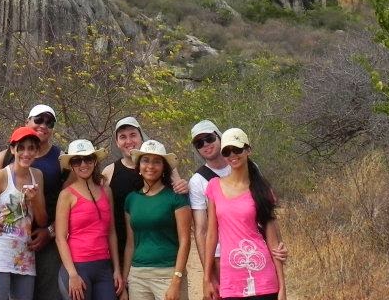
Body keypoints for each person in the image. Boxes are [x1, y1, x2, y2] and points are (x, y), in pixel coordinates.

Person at [0, 104, 65, 300]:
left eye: (49, 122)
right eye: (38, 120)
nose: (43, 125)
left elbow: (71, 203)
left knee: (46, 294)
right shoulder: (4, 157)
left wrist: (50, 231)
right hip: (7, 239)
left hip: (46, 240)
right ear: (27, 122)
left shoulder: (62, 159)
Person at [203, 128, 287, 300]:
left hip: (264, 277)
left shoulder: (262, 190)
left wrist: (282, 287)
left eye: (237, 149)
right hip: (231, 280)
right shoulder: (214, 186)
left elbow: (273, 240)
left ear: (248, 150)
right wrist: (207, 278)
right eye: (227, 151)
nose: (232, 154)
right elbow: (211, 235)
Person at [0, 126, 48, 300]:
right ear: (12, 149)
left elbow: (42, 220)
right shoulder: (1, 176)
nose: (26, 153)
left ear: (37, 151)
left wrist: (35, 199)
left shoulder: (37, 176)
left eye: (31, 148)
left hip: (24, 258)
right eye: (21, 148)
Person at [103, 117, 188, 260]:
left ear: (141, 137)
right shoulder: (108, 172)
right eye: (123, 137)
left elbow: (179, 195)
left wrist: (185, 187)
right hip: (121, 251)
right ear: (117, 142)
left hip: (161, 252)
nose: (129, 141)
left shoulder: (165, 169)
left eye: (133, 135)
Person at [55, 139, 124, 300]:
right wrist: (72, 274)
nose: (83, 164)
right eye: (77, 160)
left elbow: (111, 232)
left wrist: (116, 269)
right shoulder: (66, 195)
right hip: (78, 266)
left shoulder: (106, 191)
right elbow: (60, 238)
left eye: (88, 159)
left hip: (103, 267)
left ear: (94, 161)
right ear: (71, 165)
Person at [123, 140, 192, 300]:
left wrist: (176, 280)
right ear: (139, 166)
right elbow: (130, 243)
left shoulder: (176, 198)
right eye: (146, 160)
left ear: (163, 168)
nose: (150, 166)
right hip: (138, 276)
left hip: (168, 274)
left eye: (157, 162)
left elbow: (185, 241)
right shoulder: (131, 199)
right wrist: (127, 278)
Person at [187, 120, 232, 272]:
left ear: (219, 137)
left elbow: (265, 211)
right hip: (221, 256)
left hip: (253, 248)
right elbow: (201, 230)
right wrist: (208, 275)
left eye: (209, 138)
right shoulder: (197, 181)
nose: (205, 144)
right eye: (199, 143)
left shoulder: (244, 166)